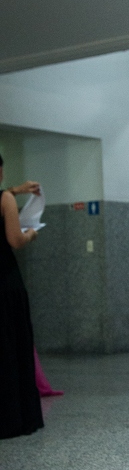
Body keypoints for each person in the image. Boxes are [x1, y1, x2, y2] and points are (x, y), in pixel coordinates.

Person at [0, 154, 44, 438]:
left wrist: (16, 189)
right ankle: (14, 418)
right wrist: (31, 234)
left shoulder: (7, 194)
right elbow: (15, 240)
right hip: (4, 285)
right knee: (9, 351)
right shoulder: (4, 199)